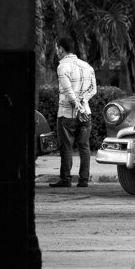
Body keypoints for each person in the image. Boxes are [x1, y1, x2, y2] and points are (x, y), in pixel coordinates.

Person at [49, 36, 97, 188]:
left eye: (57, 48)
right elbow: (93, 90)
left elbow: (68, 91)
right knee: (84, 146)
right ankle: (84, 180)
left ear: (61, 49)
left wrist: (76, 105)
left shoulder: (62, 67)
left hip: (67, 113)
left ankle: (66, 179)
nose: (56, 51)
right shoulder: (87, 66)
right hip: (85, 113)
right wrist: (83, 102)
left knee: (66, 146)